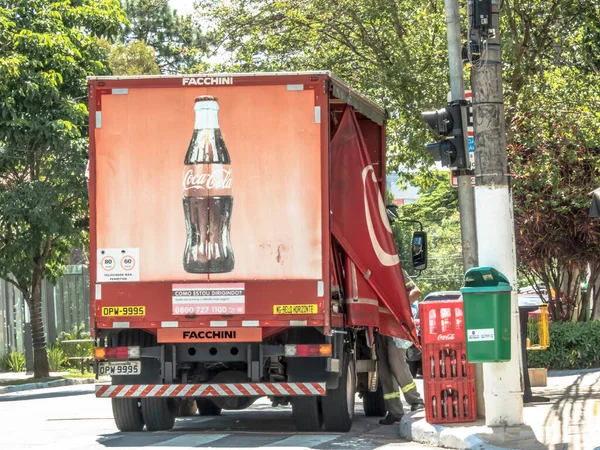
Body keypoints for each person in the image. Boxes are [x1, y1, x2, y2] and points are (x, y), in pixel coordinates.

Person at [376, 268, 425, 425]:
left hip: (396, 326)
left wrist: (397, 309)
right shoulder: (367, 268)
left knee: (396, 363)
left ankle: (416, 401)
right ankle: (395, 411)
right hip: (378, 328)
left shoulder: (394, 270)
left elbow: (416, 292)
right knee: (384, 370)